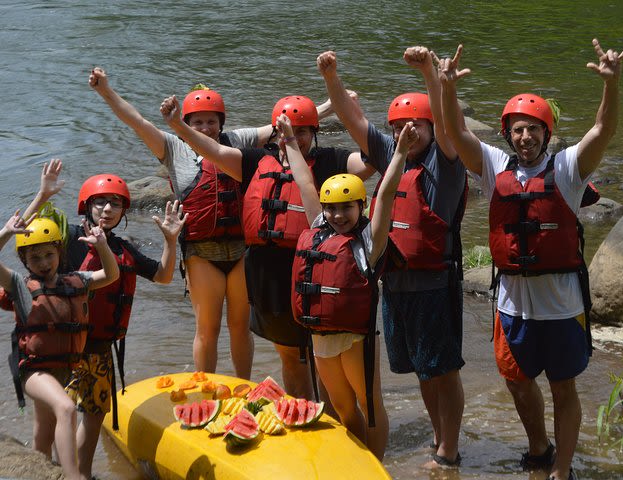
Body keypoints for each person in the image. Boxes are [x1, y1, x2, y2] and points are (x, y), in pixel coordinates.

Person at [439, 39, 623, 480]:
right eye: (518, 129)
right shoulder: (493, 167)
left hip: (562, 306)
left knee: (564, 388)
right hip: (512, 305)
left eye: (534, 129)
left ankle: (561, 472)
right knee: (517, 383)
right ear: (508, 133)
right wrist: (446, 89)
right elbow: (456, 133)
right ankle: (538, 448)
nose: (526, 137)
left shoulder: (567, 170)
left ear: (547, 133)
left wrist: (611, 85)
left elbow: (603, 131)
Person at [160, 93, 375, 401]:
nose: (296, 138)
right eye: (291, 130)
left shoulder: (332, 161)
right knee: (289, 357)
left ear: (315, 132)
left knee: (325, 358)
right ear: (276, 131)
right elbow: (214, 149)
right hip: (270, 277)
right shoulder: (254, 160)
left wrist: (349, 108)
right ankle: (301, 410)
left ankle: (333, 419)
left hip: (317, 271)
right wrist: (178, 125)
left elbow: (370, 161)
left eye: (303, 131)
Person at [317, 47, 467, 468]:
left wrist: (428, 75)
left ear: (430, 127)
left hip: (434, 284)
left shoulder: (445, 162)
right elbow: (354, 121)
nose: (407, 133)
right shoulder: (392, 155)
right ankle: (439, 437)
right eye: (399, 126)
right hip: (396, 285)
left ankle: (449, 450)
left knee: (444, 368)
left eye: (415, 125)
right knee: (422, 369)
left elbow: (448, 128)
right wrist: (332, 78)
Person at [88, 68, 264, 379]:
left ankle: (243, 388)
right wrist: (105, 91)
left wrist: (334, 102)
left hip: (241, 250)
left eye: (212, 121)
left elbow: (284, 123)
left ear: (221, 122)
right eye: (198, 122)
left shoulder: (237, 140)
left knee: (240, 327)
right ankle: (206, 391)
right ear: (186, 123)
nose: (206, 128)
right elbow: (137, 122)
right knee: (207, 328)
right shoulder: (173, 146)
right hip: (201, 252)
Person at [23, 163, 186, 480]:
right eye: (100, 202)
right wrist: (43, 194)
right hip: (63, 349)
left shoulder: (123, 249)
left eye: (115, 203)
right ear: (86, 206)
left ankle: (81, 473)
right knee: (57, 417)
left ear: (124, 209)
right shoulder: (67, 239)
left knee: (95, 414)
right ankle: (50, 472)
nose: (108, 209)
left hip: (99, 347)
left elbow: (164, 276)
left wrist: (170, 240)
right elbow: (26, 231)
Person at [278, 112, 414, 459]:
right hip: (320, 338)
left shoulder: (370, 239)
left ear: (360, 206)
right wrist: (291, 141)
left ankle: (376, 466)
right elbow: (306, 183)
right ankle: (353, 462)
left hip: (357, 339)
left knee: (369, 406)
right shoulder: (318, 226)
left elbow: (385, 196)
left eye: (347, 209)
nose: (339, 216)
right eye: (332, 209)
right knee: (341, 407)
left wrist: (399, 153)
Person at [0, 213, 119, 480]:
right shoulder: (20, 286)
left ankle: (37, 473)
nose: (43, 264)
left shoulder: (76, 281)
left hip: (63, 370)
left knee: (43, 434)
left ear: (59, 252)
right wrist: (7, 232)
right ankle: (72, 476)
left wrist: (102, 245)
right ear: (23, 260)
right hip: (34, 372)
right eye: (34, 258)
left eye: (48, 255)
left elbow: (111, 274)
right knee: (65, 408)